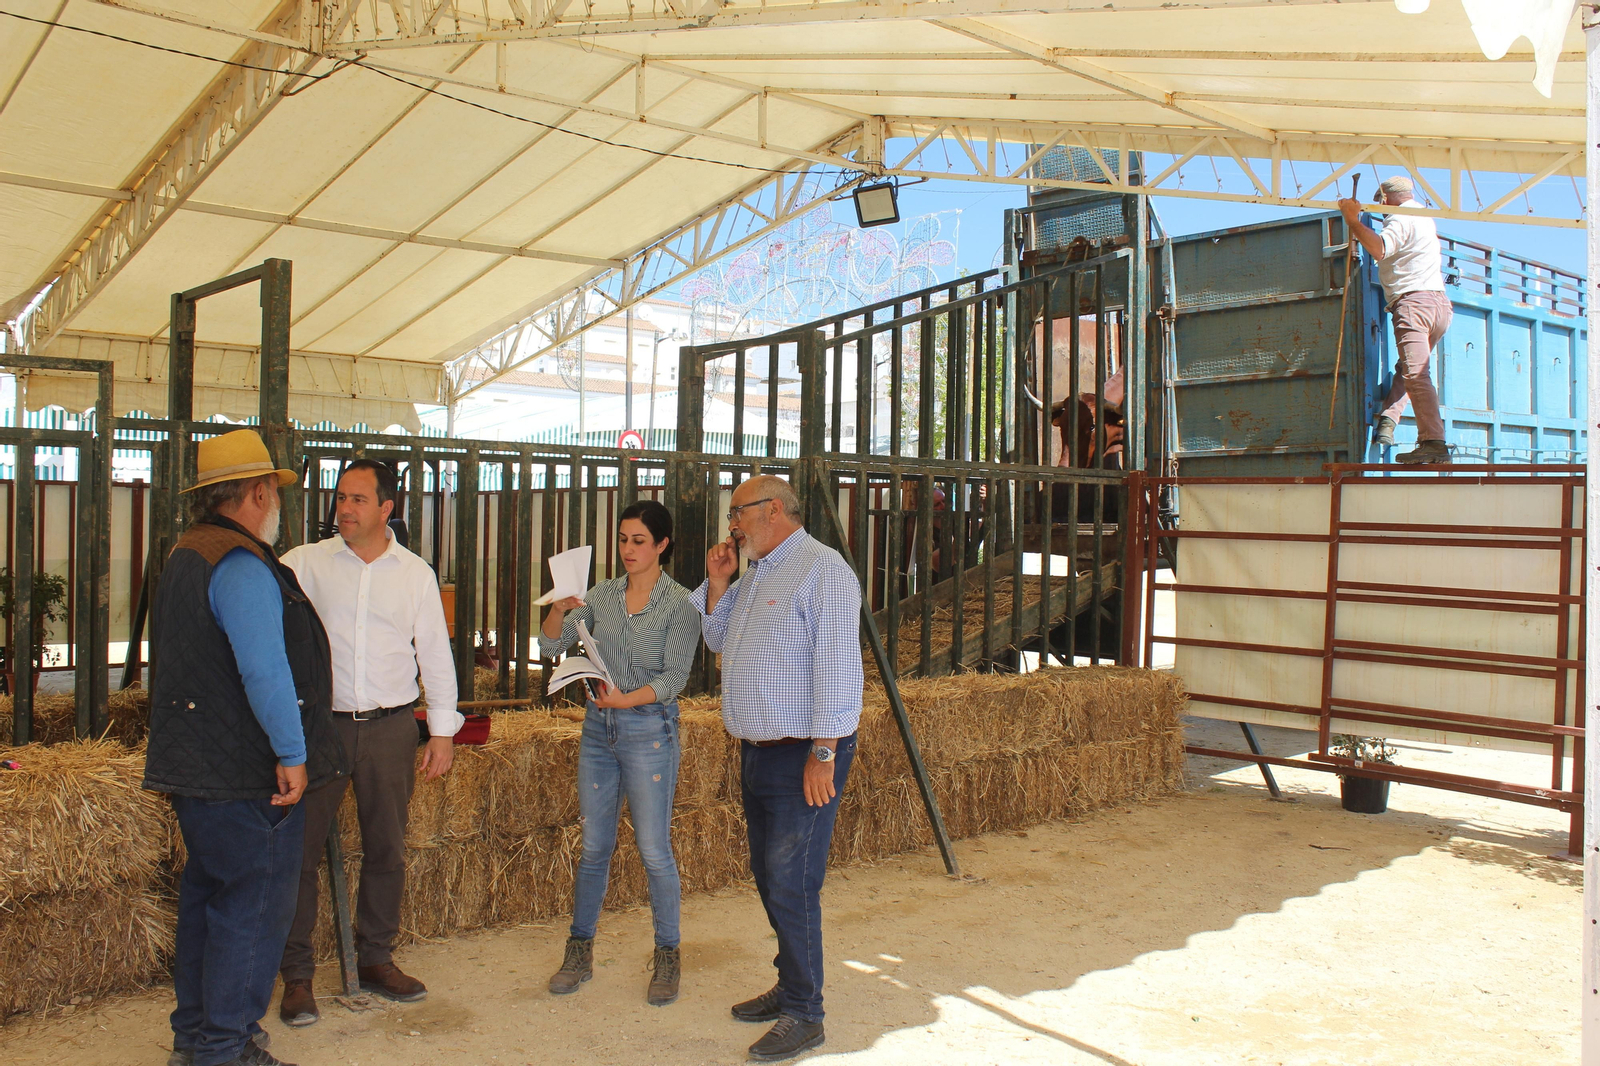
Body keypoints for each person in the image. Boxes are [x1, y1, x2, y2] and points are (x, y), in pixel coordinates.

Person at [143, 429, 347, 1066]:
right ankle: (226, 1049)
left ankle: (197, 1038)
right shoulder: (239, 563)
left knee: (208, 901)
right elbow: (265, 670)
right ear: (258, 493)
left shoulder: (185, 553)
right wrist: (291, 751)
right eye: (274, 492)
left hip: (195, 767)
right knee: (253, 912)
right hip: (242, 773)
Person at [275, 459, 461, 1025]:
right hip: (321, 730)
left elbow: (433, 651)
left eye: (358, 500)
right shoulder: (302, 564)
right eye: (340, 498)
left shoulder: (414, 573)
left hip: (390, 727)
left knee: (386, 847)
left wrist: (443, 730)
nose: (345, 509)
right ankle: (297, 976)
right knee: (299, 853)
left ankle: (376, 958)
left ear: (387, 509)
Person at [691, 475, 863, 1063]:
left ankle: (805, 1014)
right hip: (759, 749)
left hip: (803, 753)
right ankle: (791, 985)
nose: (731, 525)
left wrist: (823, 752)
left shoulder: (824, 570)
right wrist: (718, 582)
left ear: (771, 510)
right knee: (770, 876)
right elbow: (716, 637)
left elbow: (839, 669)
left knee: (792, 880)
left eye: (736, 513)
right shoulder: (759, 571)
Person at [541, 499, 701, 1006]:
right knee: (594, 848)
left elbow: (674, 679)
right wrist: (559, 608)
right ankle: (579, 950)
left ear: (662, 545)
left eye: (639, 541)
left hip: (648, 730)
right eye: (623, 540)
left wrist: (622, 699)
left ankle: (668, 956)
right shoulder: (602, 596)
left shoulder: (679, 603)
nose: (628, 549)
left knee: (654, 850)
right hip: (598, 730)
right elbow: (549, 647)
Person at [1339, 175, 1454, 465]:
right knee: (1408, 370)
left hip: (1413, 304)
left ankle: (1433, 442)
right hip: (1438, 305)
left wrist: (1353, 221)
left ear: (1386, 199)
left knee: (1416, 374)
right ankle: (1390, 418)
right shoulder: (1424, 217)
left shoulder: (1399, 218)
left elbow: (1379, 249)